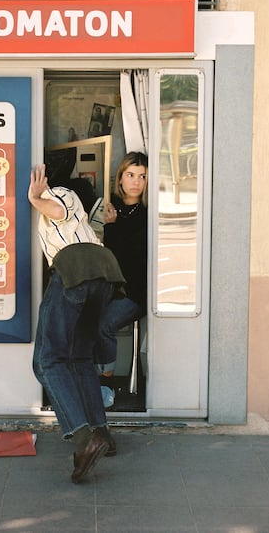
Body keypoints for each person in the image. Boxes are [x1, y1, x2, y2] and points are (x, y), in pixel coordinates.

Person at [28, 164, 126, 484]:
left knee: (47, 360)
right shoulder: (83, 213)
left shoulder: (60, 192)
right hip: (103, 275)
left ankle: (84, 439)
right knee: (80, 356)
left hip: (75, 271)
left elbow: (57, 210)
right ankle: (102, 433)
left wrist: (35, 196)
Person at [94, 151, 148, 399]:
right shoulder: (110, 206)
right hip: (111, 287)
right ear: (121, 178)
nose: (136, 181)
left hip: (136, 292)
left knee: (103, 324)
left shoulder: (147, 214)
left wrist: (112, 229)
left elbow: (130, 258)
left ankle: (105, 383)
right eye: (131, 175)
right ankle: (85, 378)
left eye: (142, 176)